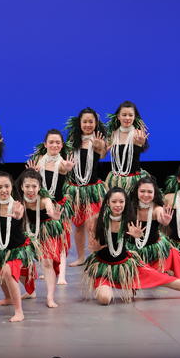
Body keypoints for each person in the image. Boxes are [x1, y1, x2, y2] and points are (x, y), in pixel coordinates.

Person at [83, 187, 180, 305]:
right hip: (104, 268)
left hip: (126, 265)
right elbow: (95, 246)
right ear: (107, 202)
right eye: (114, 201)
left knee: (166, 280)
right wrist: (96, 248)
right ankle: (121, 285)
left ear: (126, 203)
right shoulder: (97, 220)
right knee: (105, 299)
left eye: (121, 201)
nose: (118, 205)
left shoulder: (130, 220)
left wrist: (135, 237)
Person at [0, 172, 37, 323]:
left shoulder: (17, 206)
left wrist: (17, 217)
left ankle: (19, 311)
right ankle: (8, 297)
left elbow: (19, 219)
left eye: (7, 186)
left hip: (18, 248)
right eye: (0, 187)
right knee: (0, 272)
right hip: (0, 247)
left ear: (11, 187)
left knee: (7, 272)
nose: (4, 190)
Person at [26, 128, 75, 284]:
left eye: (58, 142)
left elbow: (65, 168)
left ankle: (61, 275)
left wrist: (68, 168)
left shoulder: (63, 163)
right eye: (51, 142)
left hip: (58, 207)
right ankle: (46, 270)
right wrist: (32, 173)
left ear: (62, 145)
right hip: (41, 206)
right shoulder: (39, 160)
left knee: (60, 240)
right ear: (45, 144)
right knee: (42, 238)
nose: (54, 145)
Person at [64, 108, 108, 266]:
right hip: (75, 189)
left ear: (96, 123)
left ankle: (97, 256)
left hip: (92, 189)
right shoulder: (72, 141)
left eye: (91, 121)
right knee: (78, 226)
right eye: (85, 121)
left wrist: (99, 147)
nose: (88, 124)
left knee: (92, 224)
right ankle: (81, 257)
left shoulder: (99, 139)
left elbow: (102, 155)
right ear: (79, 123)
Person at [16, 169, 65, 307]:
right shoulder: (19, 200)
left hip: (46, 230)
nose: (31, 190)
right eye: (27, 186)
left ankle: (50, 297)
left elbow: (50, 208)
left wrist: (53, 214)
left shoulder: (44, 200)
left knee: (47, 262)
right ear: (22, 187)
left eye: (34, 186)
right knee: (19, 262)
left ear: (39, 187)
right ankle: (30, 291)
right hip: (27, 230)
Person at [105, 101, 150, 191]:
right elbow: (103, 153)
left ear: (135, 117)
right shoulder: (113, 134)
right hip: (116, 179)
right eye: (124, 115)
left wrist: (141, 144)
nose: (127, 118)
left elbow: (142, 149)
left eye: (130, 115)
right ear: (118, 116)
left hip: (134, 180)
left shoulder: (139, 133)